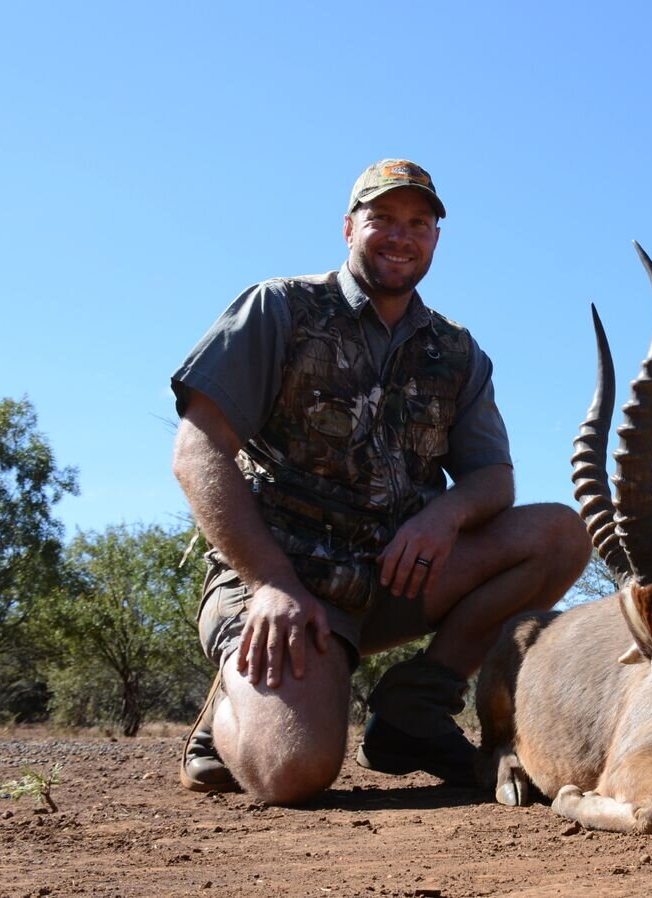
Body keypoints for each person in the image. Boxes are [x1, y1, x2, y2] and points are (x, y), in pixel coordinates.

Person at [170, 159, 589, 804]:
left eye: (418, 223)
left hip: (389, 573)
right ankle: (231, 700)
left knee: (559, 534)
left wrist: (441, 516)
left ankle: (414, 708)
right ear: (348, 228)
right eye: (383, 219)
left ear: (435, 239)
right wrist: (270, 582)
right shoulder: (280, 307)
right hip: (285, 583)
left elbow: (493, 479)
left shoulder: (456, 349)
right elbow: (197, 454)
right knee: (292, 772)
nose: (402, 235)